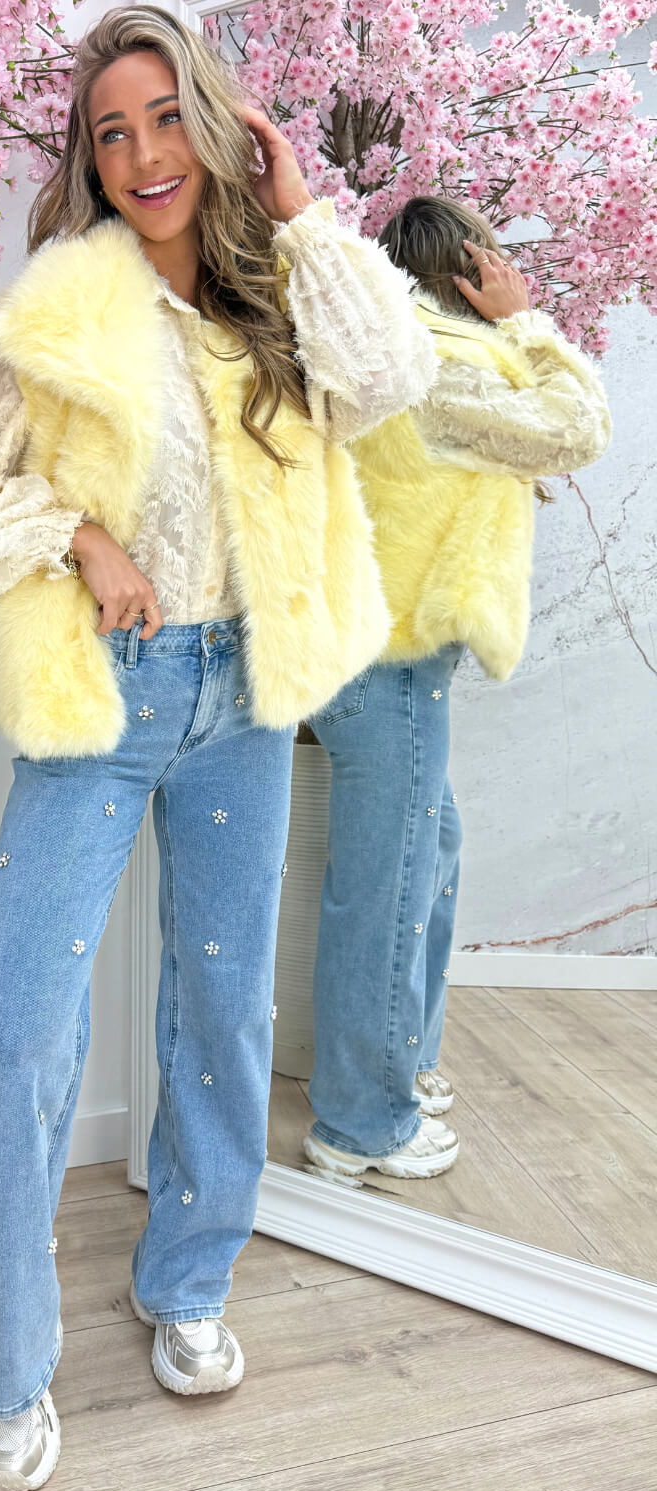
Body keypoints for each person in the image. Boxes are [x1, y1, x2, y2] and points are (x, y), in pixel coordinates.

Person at [0, 7, 437, 1490]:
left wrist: (302, 211)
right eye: (110, 131)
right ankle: (9, 1369)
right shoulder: (62, 310)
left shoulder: (279, 299)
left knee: (225, 1009)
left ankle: (189, 1282)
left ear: (219, 124)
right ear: (89, 157)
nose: (140, 155)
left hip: (248, 696)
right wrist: (79, 536)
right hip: (106, 697)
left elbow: (391, 378)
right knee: (24, 1037)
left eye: (166, 117)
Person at [301, 195, 612, 1189]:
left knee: (425, 857)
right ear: (469, 273)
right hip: (388, 657)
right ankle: (361, 1122)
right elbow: (579, 426)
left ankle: (400, 1063)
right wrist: (526, 322)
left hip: (374, 648)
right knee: (388, 887)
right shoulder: (442, 361)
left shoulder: (383, 355)